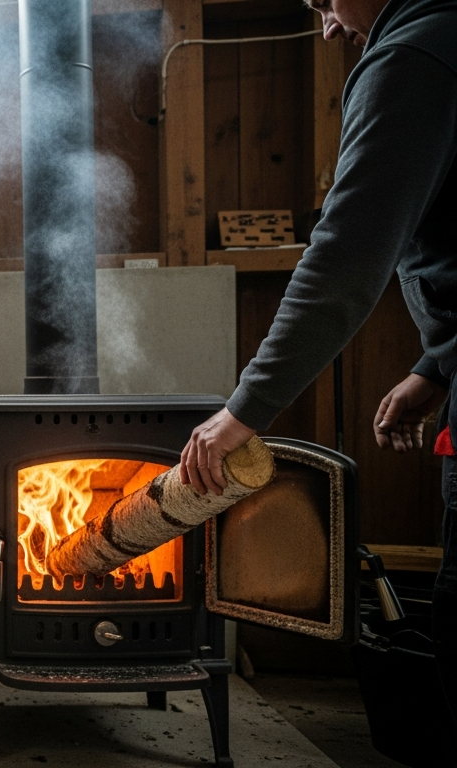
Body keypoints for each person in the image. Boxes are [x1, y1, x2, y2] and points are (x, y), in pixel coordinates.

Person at [178, 0, 457, 731]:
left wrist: (241, 414)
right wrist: (438, 365)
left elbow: (344, 256)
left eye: (324, 0)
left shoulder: (411, 57)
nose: (328, 26)